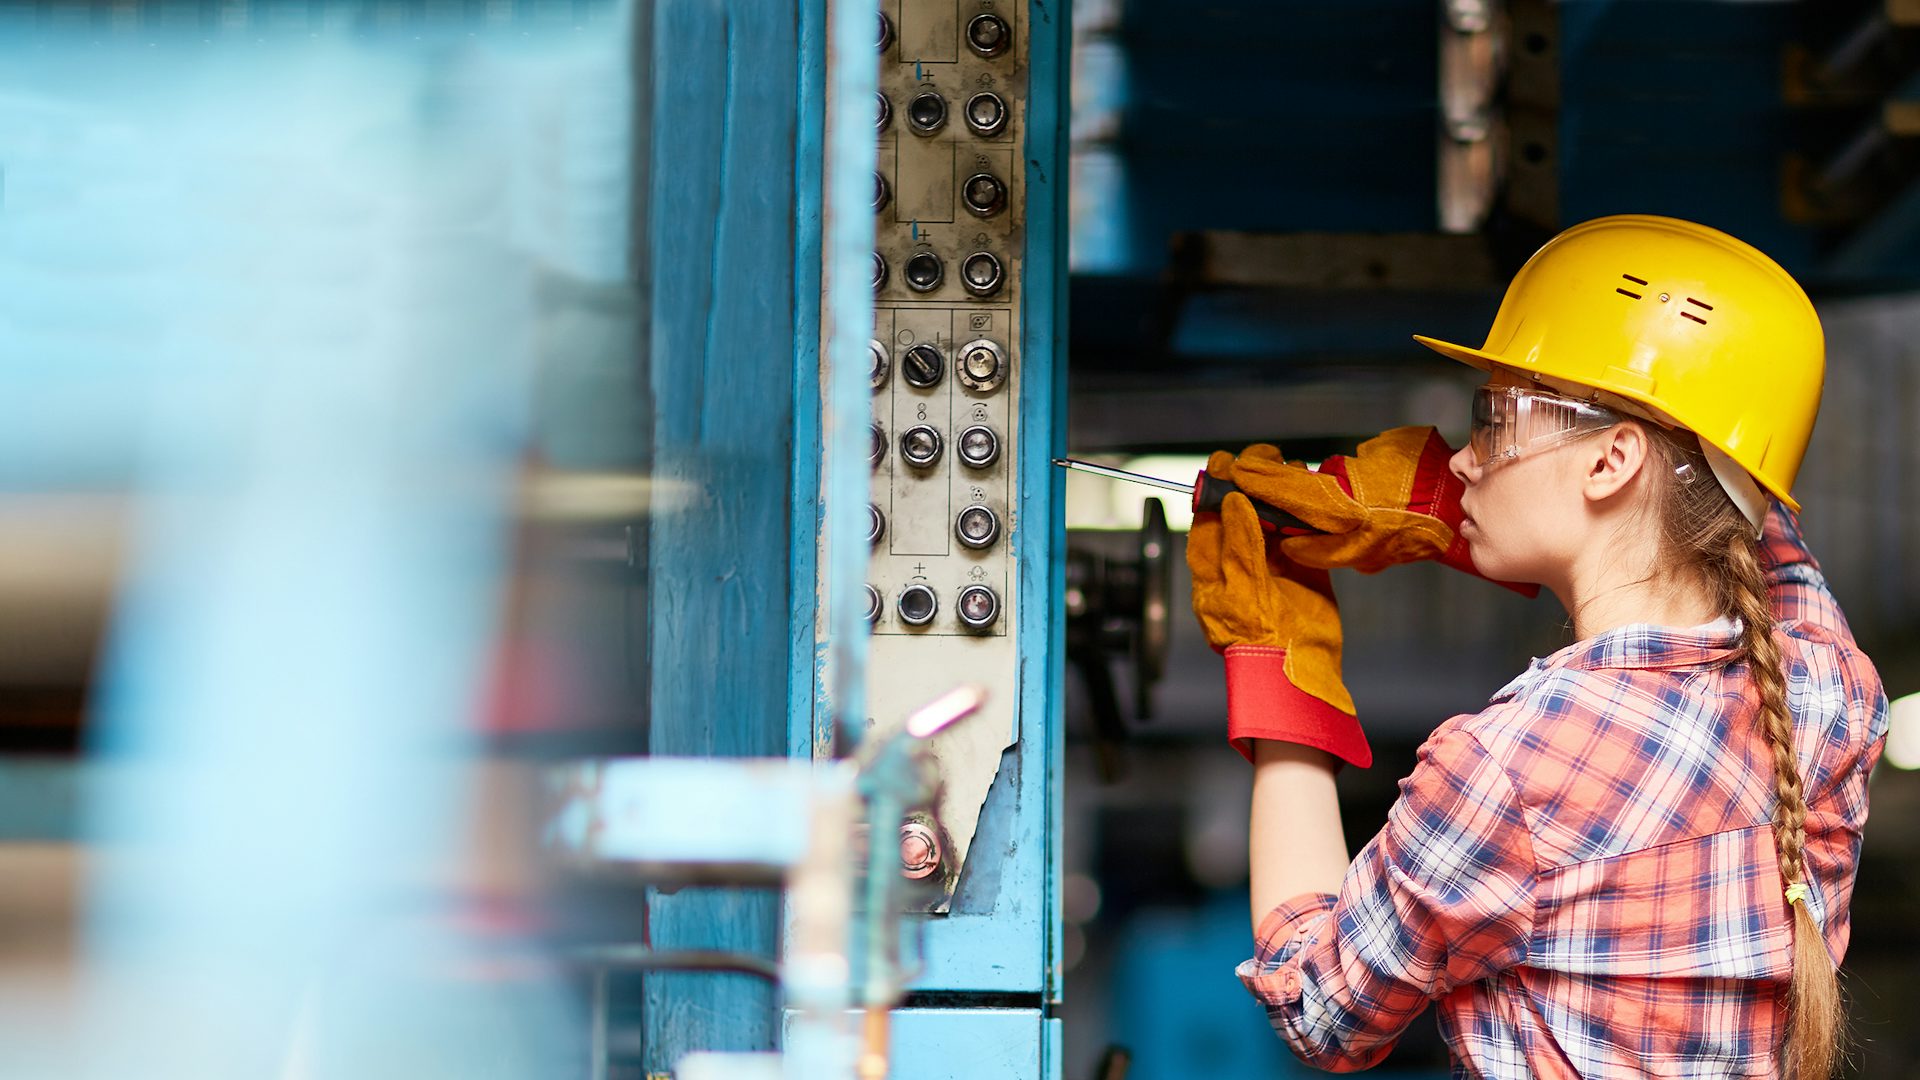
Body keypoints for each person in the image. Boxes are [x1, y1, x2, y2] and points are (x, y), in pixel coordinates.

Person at [1186, 215, 1888, 1079]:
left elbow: (1324, 1011)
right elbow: (1748, 519)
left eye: (1494, 418)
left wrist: (1277, 661)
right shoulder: (1828, 684)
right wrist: (1447, 503)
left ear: (1612, 460)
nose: (1468, 459)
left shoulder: (1508, 766)